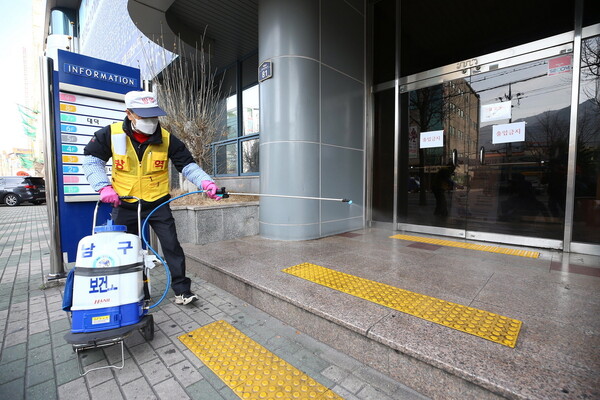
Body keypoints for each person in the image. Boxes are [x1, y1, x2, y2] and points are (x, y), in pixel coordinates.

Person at [82, 90, 220, 305]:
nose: (150, 121)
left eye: (153, 116)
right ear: (129, 113)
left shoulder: (166, 139)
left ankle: (182, 291)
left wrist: (206, 183)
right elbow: (92, 160)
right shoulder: (110, 134)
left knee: (172, 246)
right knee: (128, 251)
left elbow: (188, 165)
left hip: (158, 203)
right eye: (143, 117)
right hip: (126, 204)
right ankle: (137, 293)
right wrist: (103, 187)